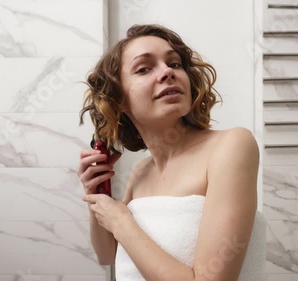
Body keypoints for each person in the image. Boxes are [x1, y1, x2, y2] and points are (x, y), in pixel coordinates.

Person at [78, 24, 259, 281]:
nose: (167, 72)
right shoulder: (142, 171)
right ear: (119, 101)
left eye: (174, 64)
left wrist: (121, 221)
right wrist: (96, 193)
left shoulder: (231, 145)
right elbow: (108, 255)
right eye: (144, 69)